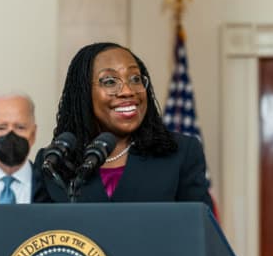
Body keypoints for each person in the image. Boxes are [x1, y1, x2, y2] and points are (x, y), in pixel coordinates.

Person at [33, 42, 213, 209]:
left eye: (135, 79)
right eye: (110, 81)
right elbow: (39, 237)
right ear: (83, 93)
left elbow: (201, 232)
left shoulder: (181, 153)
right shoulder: (54, 162)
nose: (128, 91)